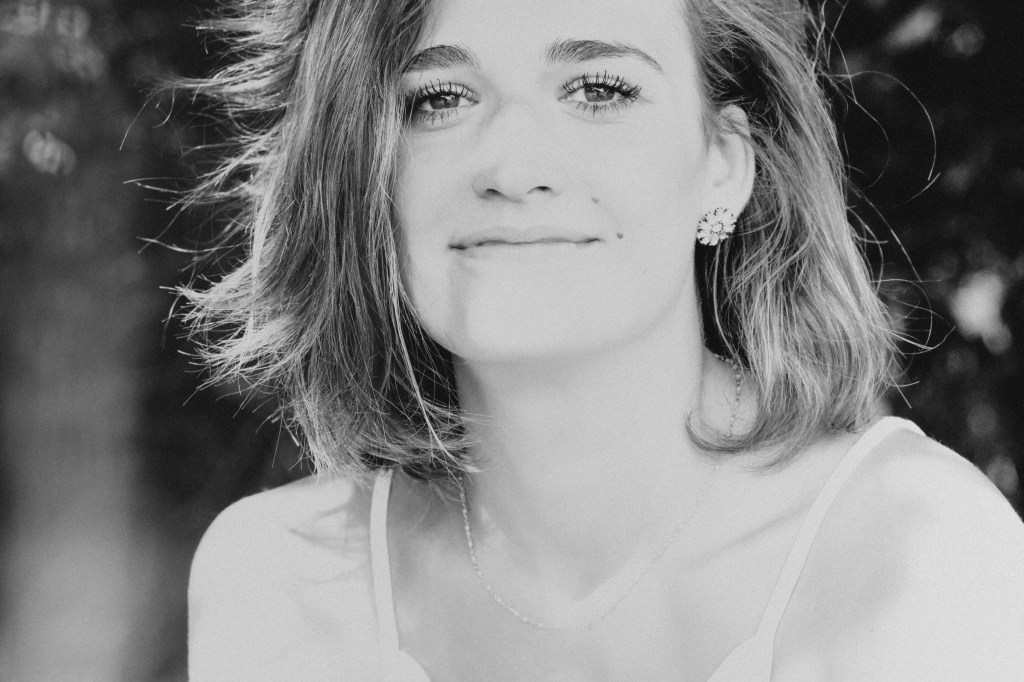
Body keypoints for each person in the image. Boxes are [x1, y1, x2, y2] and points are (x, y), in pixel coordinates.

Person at [184, 0, 1024, 679]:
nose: (512, 168)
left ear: (725, 162)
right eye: (439, 99)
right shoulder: (276, 582)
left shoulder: (918, 557)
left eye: (598, 89)